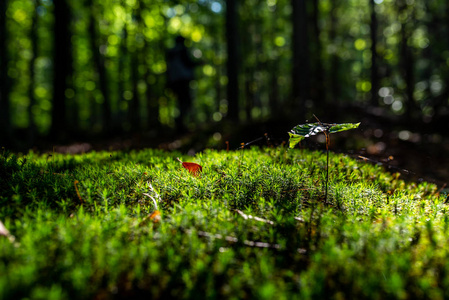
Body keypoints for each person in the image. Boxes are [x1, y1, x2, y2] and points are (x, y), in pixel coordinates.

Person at [166, 36, 201, 133]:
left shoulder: (171, 52)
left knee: (181, 101)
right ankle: (181, 123)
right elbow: (188, 63)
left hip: (174, 81)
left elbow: (168, 68)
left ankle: (180, 123)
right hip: (183, 79)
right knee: (186, 101)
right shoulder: (182, 50)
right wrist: (199, 63)